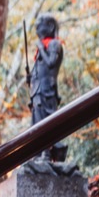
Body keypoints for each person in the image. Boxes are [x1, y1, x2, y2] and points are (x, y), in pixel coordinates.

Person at [27, 14, 74, 172]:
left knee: (47, 120)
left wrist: (41, 48)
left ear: (51, 27)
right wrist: (31, 78)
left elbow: (51, 63)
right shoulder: (41, 48)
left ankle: (47, 153)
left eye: (41, 25)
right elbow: (38, 70)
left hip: (48, 89)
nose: (37, 29)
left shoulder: (54, 44)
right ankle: (37, 152)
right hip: (37, 89)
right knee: (37, 120)